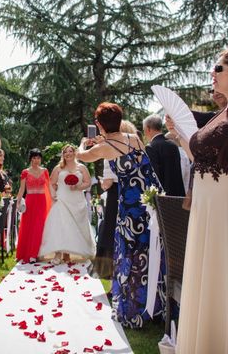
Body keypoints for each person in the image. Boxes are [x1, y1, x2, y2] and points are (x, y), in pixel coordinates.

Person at [166, 46, 228, 353]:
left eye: (218, 68)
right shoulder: (225, 111)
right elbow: (200, 158)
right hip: (206, 205)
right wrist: (180, 135)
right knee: (207, 279)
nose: (213, 73)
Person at [76, 102, 165, 328]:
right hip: (146, 205)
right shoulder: (134, 138)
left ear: (99, 124)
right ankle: (155, 306)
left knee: (129, 255)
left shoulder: (104, 148)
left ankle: (133, 308)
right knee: (148, 252)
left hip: (127, 210)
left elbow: (81, 156)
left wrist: (84, 143)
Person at [39, 144, 95, 264]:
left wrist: (78, 187)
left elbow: (88, 182)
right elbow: (52, 183)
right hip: (62, 199)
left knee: (74, 226)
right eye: (65, 152)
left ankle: (67, 253)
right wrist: (53, 194)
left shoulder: (81, 168)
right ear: (63, 155)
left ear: (75, 153)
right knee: (61, 226)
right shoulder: (58, 168)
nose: (68, 154)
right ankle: (58, 254)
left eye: (70, 151)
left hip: (77, 200)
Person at [93, 120, 135, 278]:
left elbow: (109, 181)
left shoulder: (109, 151)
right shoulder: (133, 148)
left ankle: (111, 272)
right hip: (130, 193)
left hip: (114, 195)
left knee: (111, 231)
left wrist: (103, 183)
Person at [15, 148, 52, 263]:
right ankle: (27, 253)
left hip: (41, 201)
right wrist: (18, 201)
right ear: (31, 159)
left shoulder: (45, 171)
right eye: (34, 158)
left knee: (39, 226)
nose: (36, 160)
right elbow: (22, 189)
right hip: (30, 201)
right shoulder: (25, 172)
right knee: (28, 226)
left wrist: (54, 198)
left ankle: (34, 254)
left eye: (38, 158)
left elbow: (49, 187)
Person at [143, 114, 185, 197]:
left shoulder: (150, 147)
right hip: (179, 193)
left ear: (148, 129)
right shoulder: (173, 144)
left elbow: (154, 175)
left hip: (163, 196)